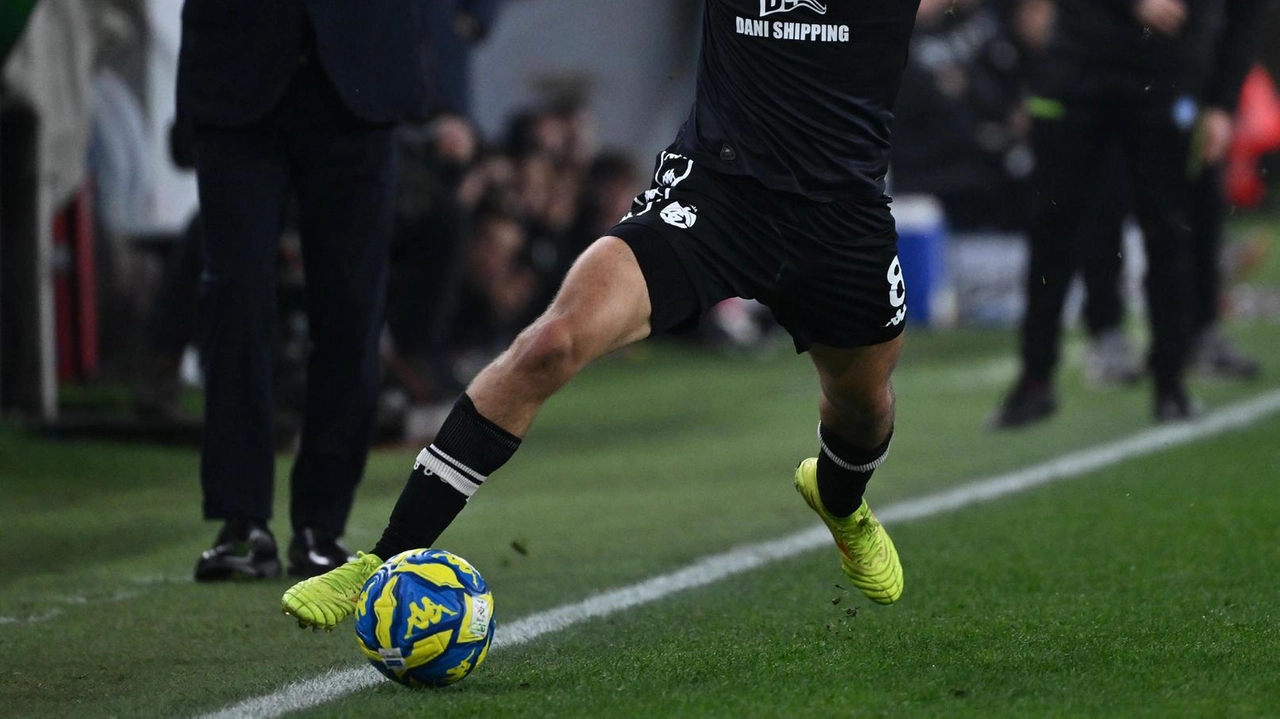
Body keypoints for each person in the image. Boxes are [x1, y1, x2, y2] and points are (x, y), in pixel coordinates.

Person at [282, 0, 918, 630]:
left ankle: (842, 505)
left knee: (863, 407)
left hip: (842, 220)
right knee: (550, 343)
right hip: (716, 199)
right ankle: (379, 561)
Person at [177, 0, 436, 581]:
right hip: (235, 69)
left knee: (350, 310)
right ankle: (241, 520)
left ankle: (321, 524)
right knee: (235, 298)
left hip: (360, 73)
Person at [989, 0, 1269, 429]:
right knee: (1053, 226)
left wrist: (1222, 102)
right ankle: (1035, 378)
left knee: (1170, 228)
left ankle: (1171, 382)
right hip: (1079, 69)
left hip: (1167, 75)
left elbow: (1247, 13)